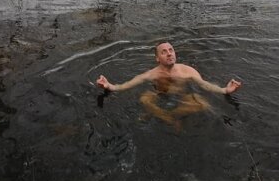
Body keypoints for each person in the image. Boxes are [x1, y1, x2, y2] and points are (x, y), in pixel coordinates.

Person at [96, 42, 242, 129]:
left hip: (182, 99)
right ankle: (169, 117)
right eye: (164, 52)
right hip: (160, 96)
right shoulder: (152, 74)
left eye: (171, 50)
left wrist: (224, 90)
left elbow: (205, 85)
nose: (169, 54)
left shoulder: (187, 71)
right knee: (144, 98)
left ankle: (168, 116)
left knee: (202, 103)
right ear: (157, 58)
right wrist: (109, 86)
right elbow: (125, 85)